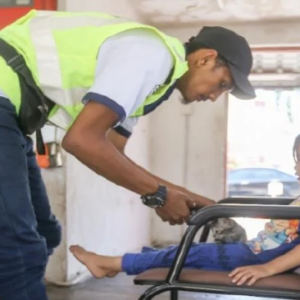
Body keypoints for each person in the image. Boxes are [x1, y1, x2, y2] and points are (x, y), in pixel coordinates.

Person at [0, 9, 255, 300]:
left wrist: (201, 204)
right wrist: (160, 194)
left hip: (14, 119)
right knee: (18, 246)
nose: (214, 97)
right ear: (205, 58)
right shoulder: (152, 55)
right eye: (222, 84)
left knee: (45, 232)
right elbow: (82, 140)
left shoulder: (156, 85)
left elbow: (112, 151)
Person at [69, 134, 300, 287]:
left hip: (257, 257)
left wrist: (267, 269)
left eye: (299, 160)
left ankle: (111, 264)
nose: (295, 167)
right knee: (188, 251)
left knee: (192, 254)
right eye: (296, 159)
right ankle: (126, 262)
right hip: (254, 250)